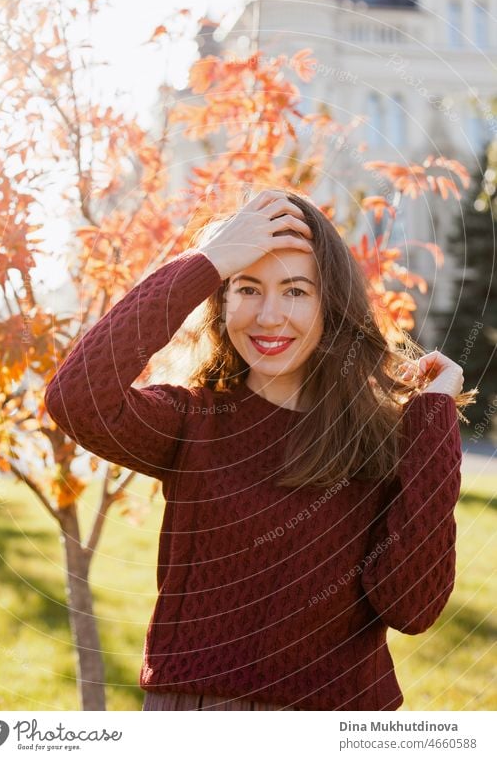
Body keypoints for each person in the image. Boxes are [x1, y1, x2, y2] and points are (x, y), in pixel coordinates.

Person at [44, 187, 475, 711]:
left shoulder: (384, 439)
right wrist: (207, 260)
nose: (270, 316)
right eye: (246, 288)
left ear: (331, 304)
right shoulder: (191, 422)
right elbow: (76, 398)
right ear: (221, 301)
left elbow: (413, 607)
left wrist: (431, 421)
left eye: (296, 291)